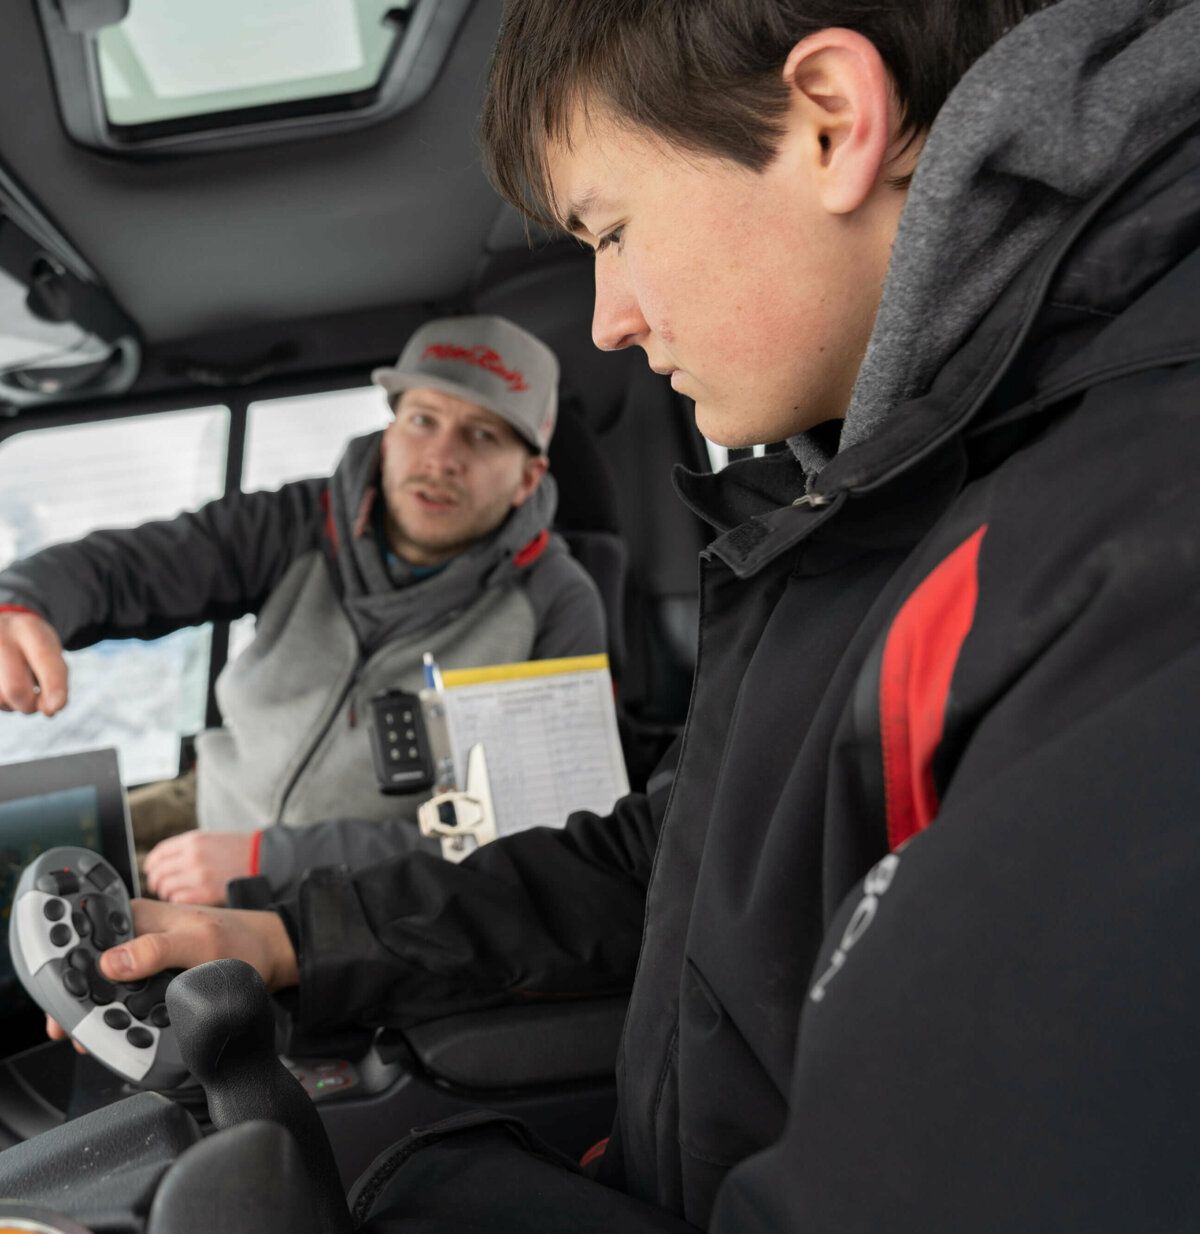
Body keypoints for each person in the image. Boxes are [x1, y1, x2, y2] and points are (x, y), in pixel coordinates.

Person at [46, 0, 1200, 1228]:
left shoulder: (1129, 542)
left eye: (612, 230)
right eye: (416, 421)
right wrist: (291, 937)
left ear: (830, 122)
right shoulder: (873, 503)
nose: (612, 318)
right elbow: (667, 857)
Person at [0, 314, 605, 903]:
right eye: (423, 420)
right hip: (211, 802)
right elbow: (134, 567)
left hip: (350, 889)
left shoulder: (554, 602)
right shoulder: (299, 522)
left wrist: (274, 861)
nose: (441, 457)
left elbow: (521, 834)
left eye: (482, 435)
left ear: (528, 478)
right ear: (391, 432)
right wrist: (22, 602)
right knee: (18, 872)